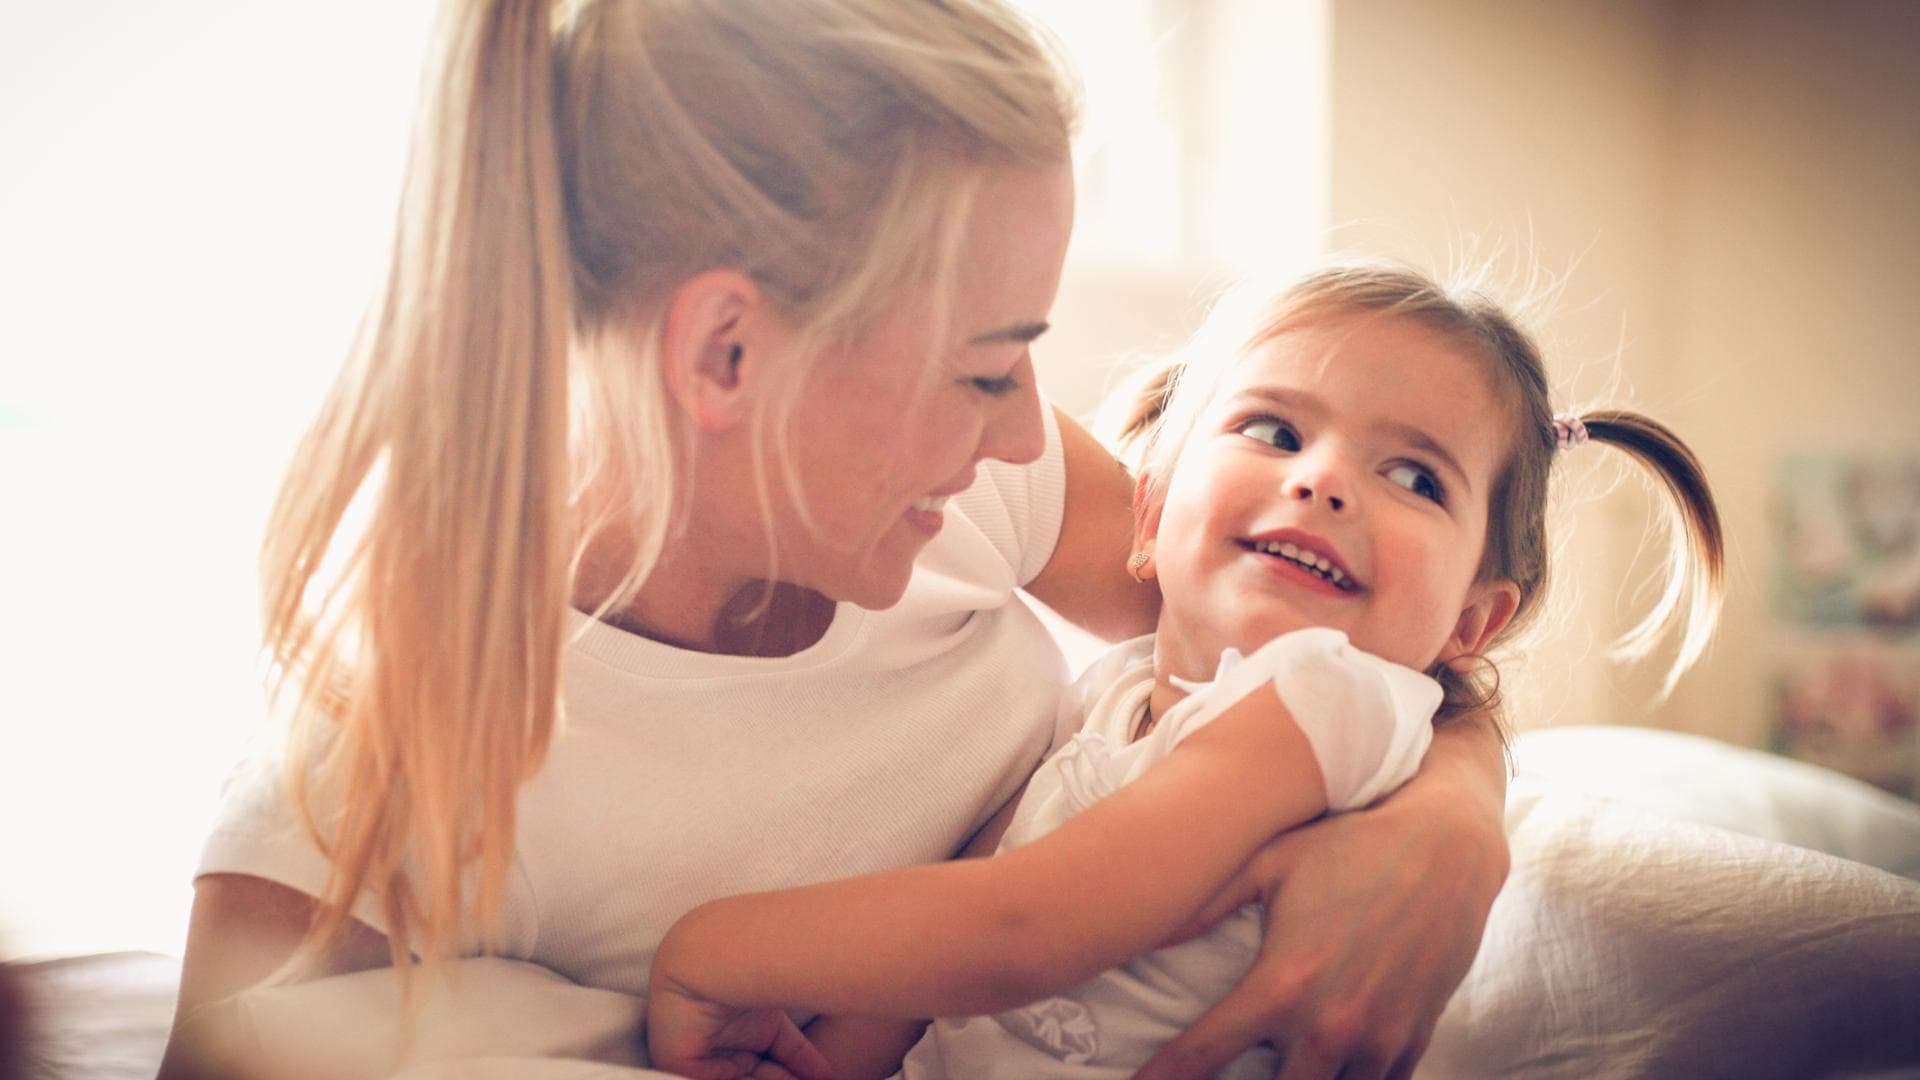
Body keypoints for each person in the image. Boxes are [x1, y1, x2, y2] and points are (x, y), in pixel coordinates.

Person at [157, 3, 1518, 1077]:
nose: (1023, 436)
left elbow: (1336, 634)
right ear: (728, 354)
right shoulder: (385, 771)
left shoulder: (976, 487)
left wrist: (1458, 811)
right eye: (987, 371)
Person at [643, 261, 1727, 1080]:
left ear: (1470, 623)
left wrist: (717, 955)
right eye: (1273, 428)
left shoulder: (1326, 700)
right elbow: (956, 928)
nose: (1323, 482)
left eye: (1414, 476)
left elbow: (1023, 925)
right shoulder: (1107, 697)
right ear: (1150, 511)